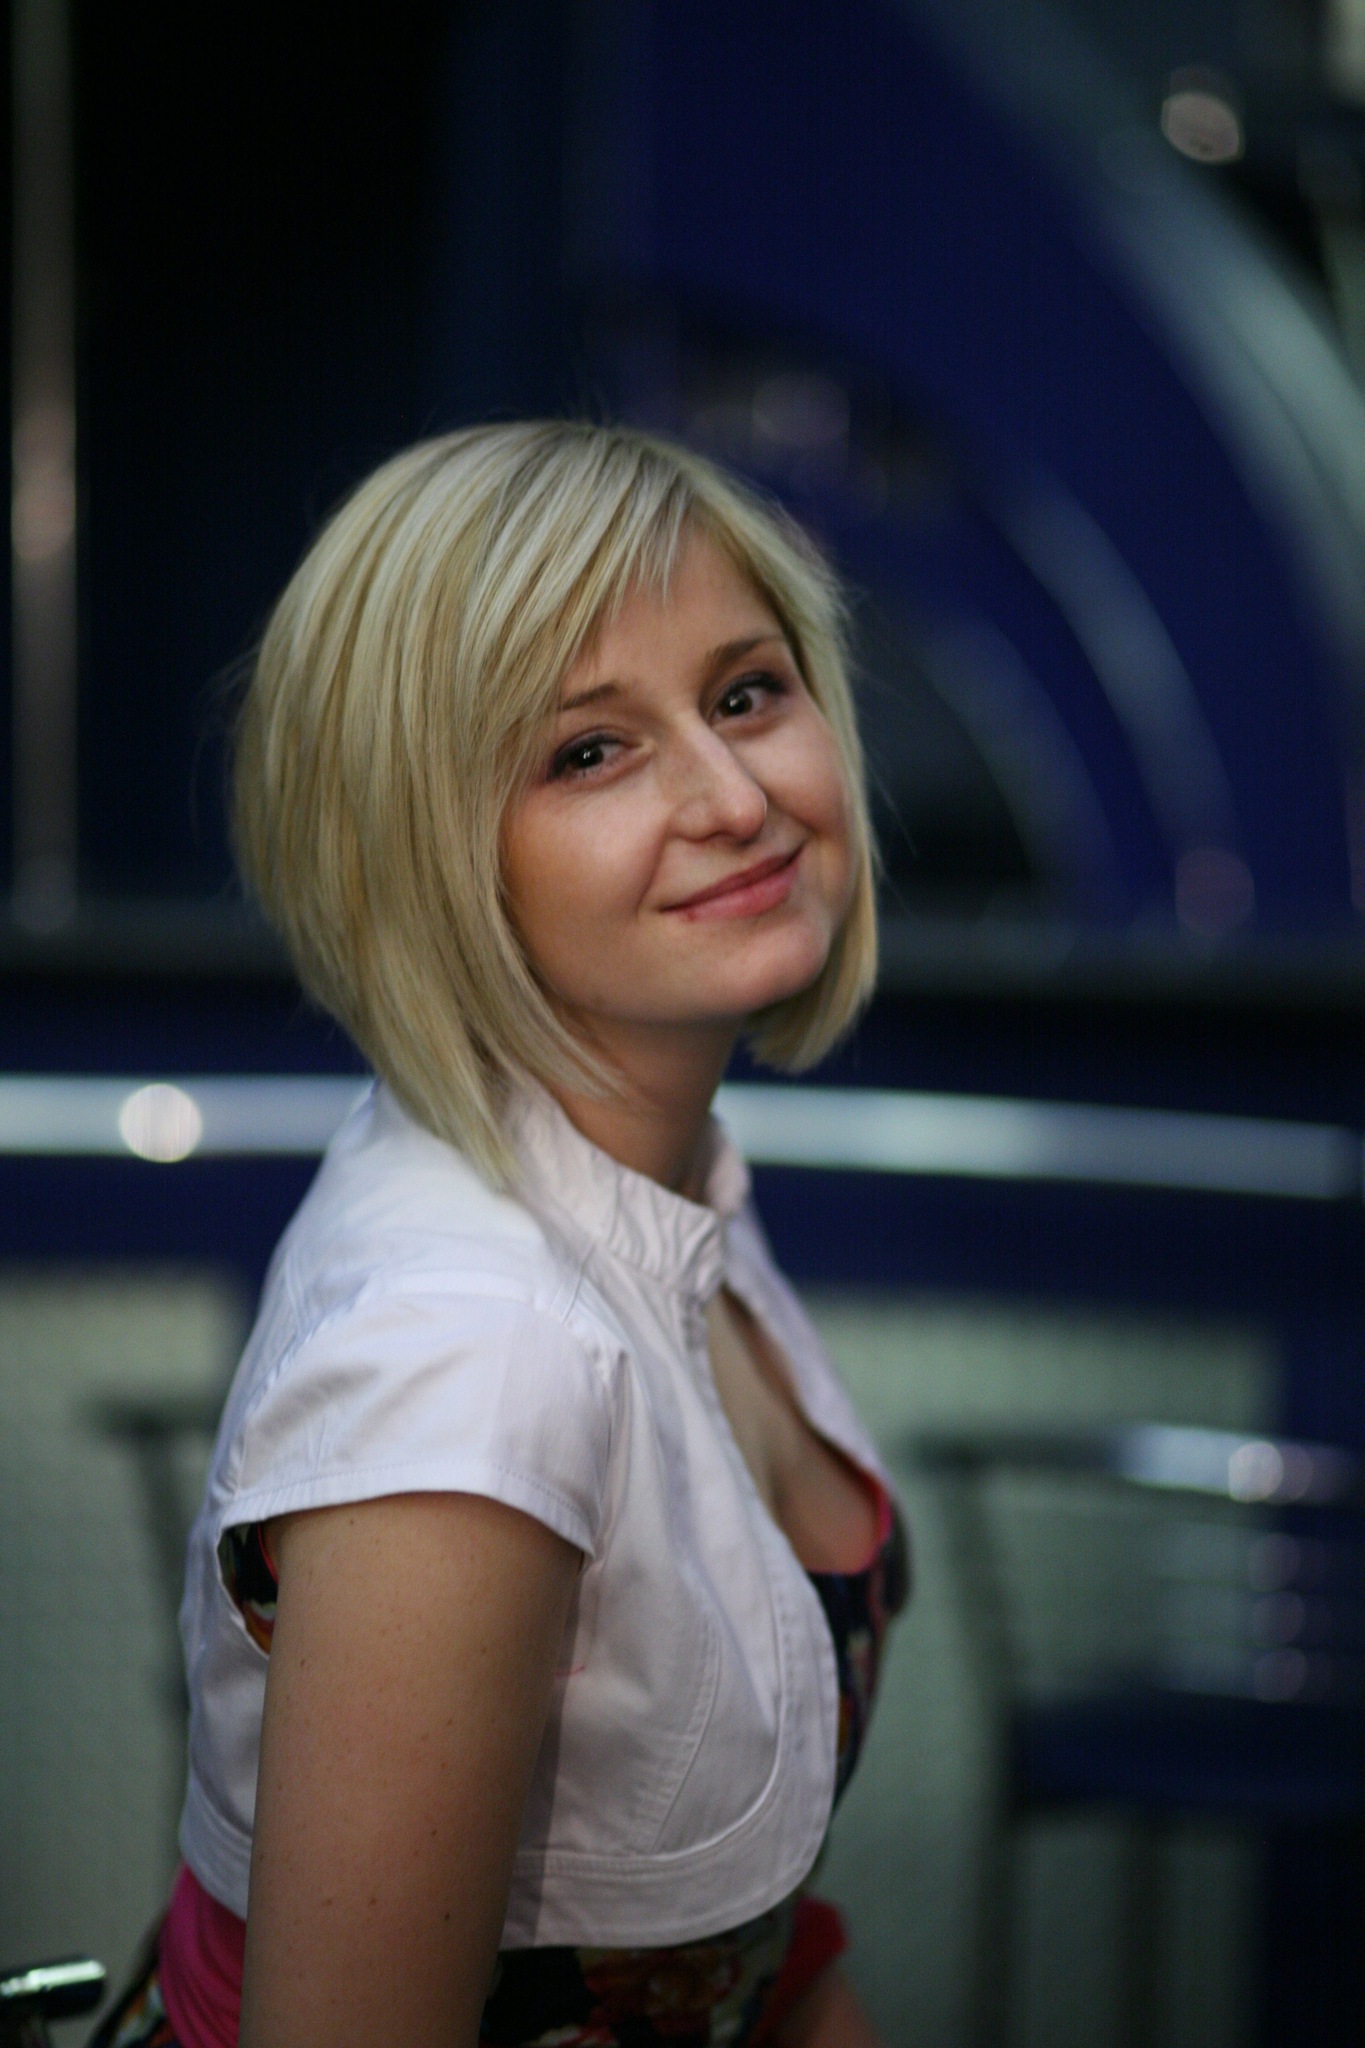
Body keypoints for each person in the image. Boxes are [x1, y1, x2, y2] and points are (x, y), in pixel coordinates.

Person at [94, 421, 908, 2048]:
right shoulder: (471, 1354)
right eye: (589, 752)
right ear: (426, 849)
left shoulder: (662, 1177)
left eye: (747, 693)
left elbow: (767, 1960)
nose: (735, 797)